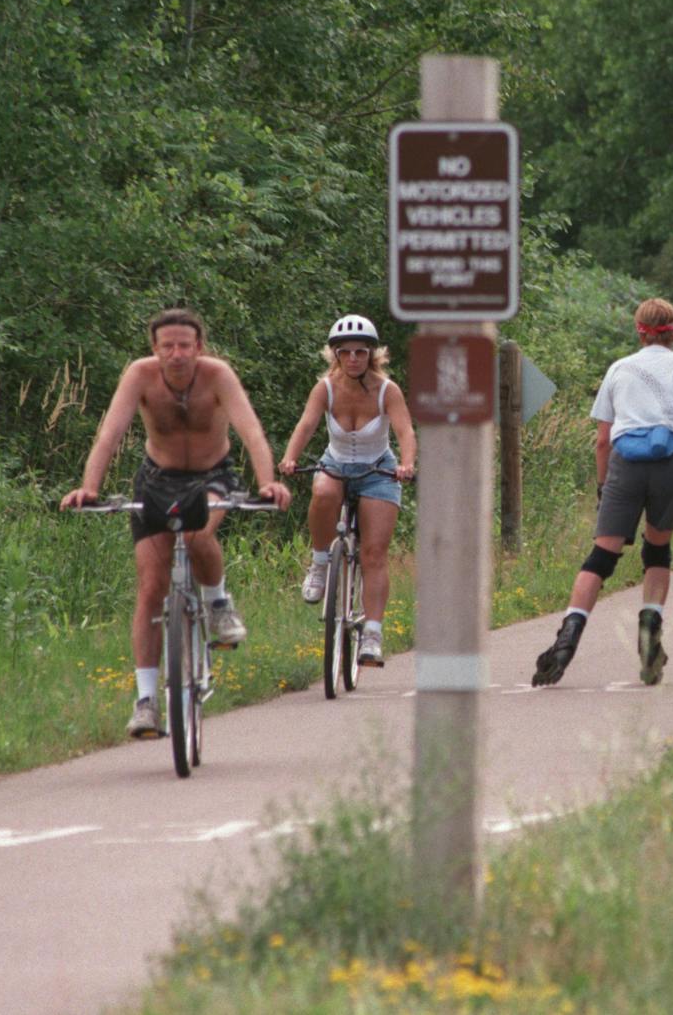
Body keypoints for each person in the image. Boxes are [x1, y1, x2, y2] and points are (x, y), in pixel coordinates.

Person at [60, 308, 292, 739]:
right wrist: (88, 488)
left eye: (185, 345)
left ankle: (218, 604)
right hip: (157, 479)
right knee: (151, 587)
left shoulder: (218, 376)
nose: (177, 353)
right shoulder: (140, 376)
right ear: (155, 349)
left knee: (196, 531)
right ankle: (146, 701)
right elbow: (109, 433)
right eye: (167, 345)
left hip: (212, 477)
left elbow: (252, 432)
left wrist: (268, 482)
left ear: (199, 347)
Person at [532, 298, 673, 688]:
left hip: (625, 462)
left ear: (639, 331)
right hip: (671, 461)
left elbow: (601, 440)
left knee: (602, 554)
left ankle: (567, 639)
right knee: (657, 549)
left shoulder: (619, 369)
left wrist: (603, 487)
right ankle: (650, 628)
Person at [277, 315, 417, 668]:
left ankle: (372, 634)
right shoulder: (324, 388)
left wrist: (407, 464)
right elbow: (306, 424)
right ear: (335, 355)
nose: (354, 358)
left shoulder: (389, 390)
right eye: (346, 352)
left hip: (377, 471)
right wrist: (290, 459)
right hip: (336, 465)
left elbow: (405, 431)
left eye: (361, 351)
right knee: (323, 492)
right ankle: (321, 562)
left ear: (373, 354)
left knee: (373, 553)